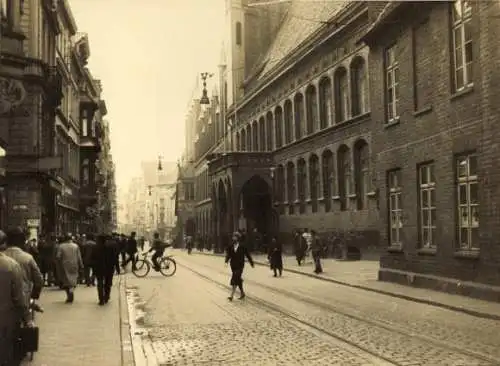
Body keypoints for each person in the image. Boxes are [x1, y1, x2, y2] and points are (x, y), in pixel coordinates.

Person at [0, 234, 30, 366]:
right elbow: (19, 297)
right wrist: (27, 319)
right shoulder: (11, 265)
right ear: (3, 245)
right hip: (5, 320)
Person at [3, 227, 44, 315]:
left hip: (4, 303)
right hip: (24, 300)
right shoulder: (27, 258)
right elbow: (39, 280)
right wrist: (34, 296)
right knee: (28, 323)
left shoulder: (2, 257)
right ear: (22, 241)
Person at [225, 231, 254, 301]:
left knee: (235, 278)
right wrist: (226, 261)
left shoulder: (242, 246)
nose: (233, 238)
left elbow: (247, 255)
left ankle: (231, 296)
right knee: (238, 279)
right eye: (233, 237)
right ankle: (242, 293)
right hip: (233, 265)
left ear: (238, 238)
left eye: (235, 237)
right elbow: (228, 255)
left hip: (240, 265)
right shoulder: (230, 246)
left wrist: (251, 262)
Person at [92, 234, 120, 305]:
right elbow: (114, 258)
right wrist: (115, 267)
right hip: (109, 268)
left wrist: (93, 269)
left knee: (100, 284)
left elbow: (93, 259)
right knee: (108, 283)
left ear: (99, 240)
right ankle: (106, 297)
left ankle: (101, 299)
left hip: (99, 269)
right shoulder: (110, 248)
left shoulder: (95, 248)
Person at [55, 234, 84, 303]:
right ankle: (71, 290)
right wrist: (81, 265)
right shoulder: (76, 246)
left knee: (66, 281)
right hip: (74, 265)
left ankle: (69, 294)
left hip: (64, 265)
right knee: (73, 279)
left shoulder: (61, 246)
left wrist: (57, 264)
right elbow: (79, 257)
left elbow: (58, 256)